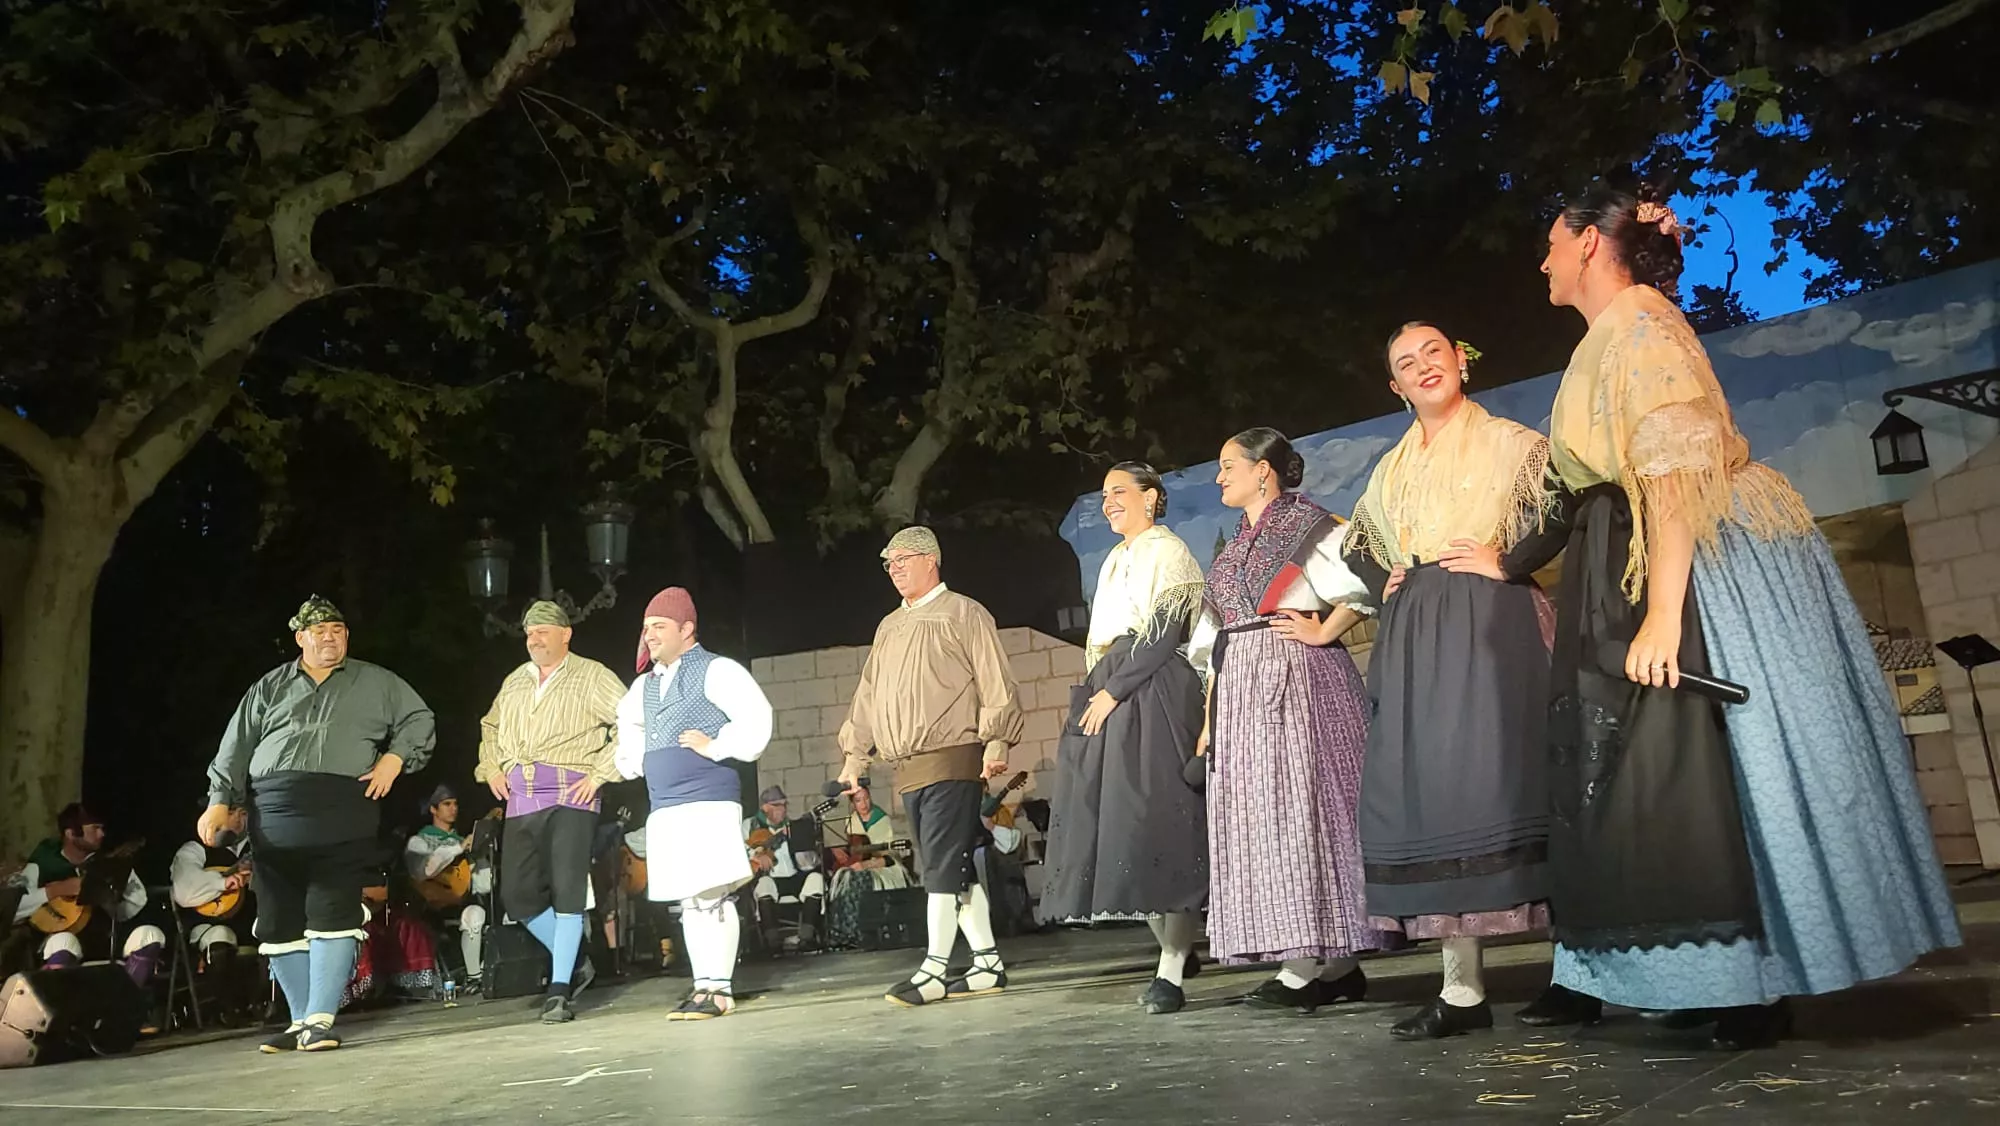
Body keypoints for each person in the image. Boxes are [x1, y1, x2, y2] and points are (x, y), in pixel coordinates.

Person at [1529, 184, 1961, 1049]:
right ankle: (1705, 974)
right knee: (1654, 774)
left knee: (1715, 762)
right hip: (1627, 549)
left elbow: (1671, 475)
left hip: (1688, 557)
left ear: (1585, 244)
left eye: (1549, 245)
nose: (1541, 263)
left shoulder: (1644, 327)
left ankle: (1756, 977)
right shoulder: (1608, 337)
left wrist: (1663, 614)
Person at [1345, 324, 1568, 1040]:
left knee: (1523, 776)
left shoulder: (1511, 442)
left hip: (1492, 621)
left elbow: (1562, 506)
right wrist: (1390, 579)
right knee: (1433, 797)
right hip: (1419, 632)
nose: (1422, 368)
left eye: (1432, 353)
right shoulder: (1392, 467)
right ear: (1396, 387)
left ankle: (1580, 974)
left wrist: (1509, 561)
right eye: (1406, 364)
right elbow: (1356, 542)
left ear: (1458, 361)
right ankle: (1462, 988)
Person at [1189, 428, 1383, 1012]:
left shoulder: (1308, 525)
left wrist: (1324, 629)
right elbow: (1213, 638)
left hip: (1299, 680)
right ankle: (1337, 966)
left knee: (1305, 811)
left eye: (1228, 466)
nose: (1219, 477)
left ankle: (1306, 967)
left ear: (1263, 471)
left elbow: (1364, 582)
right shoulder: (1233, 547)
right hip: (1243, 685)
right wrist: (1210, 715)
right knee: (1264, 817)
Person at [200, 594, 435, 1053]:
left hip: (341, 808)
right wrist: (217, 801)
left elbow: (419, 718)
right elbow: (236, 745)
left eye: (339, 630)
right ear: (301, 638)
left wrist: (394, 758)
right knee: (277, 916)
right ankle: (300, 1019)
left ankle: (322, 1019)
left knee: (333, 910)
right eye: (321, 631)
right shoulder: (270, 686)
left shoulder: (376, 681)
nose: (331, 637)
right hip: (274, 812)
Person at [1037, 462, 1209, 1015]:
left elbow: (1163, 634)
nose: (1109, 502)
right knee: (1119, 828)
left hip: (1151, 687)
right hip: (1112, 681)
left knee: (1154, 820)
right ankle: (1174, 949)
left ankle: (1172, 968)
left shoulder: (1167, 551)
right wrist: (1099, 689)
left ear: (1151, 498)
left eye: (1120, 492)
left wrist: (1115, 690)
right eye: (1104, 494)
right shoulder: (1115, 559)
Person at [836, 526, 1025, 1007]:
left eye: (902, 559)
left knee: (942, 866)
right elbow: (868, 696)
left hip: (952, 755)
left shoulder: (962, 612)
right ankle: (986, 963)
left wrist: (996, 740)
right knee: (952, 867)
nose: (894, 569)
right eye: (889, 563)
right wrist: (855, 755)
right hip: (909, 766)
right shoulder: (888, 627)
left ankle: (935, 968)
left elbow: (994, 679)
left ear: (930, 560)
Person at [613, 587, 775, 1020]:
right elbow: (627, 723)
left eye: (659, 627)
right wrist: (634, 759)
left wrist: (717, 744)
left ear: (687, 629)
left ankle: (719, 989)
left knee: (711, 897)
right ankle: (704, 984)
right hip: (665, 806)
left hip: (707, 800)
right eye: (646, 628)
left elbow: (757, 719)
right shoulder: (645, 685)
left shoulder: (716, 670)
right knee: (689, 900)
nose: (649, 636)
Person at [475, 598, 627, 1022]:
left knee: (567, 893)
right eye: (528, 633)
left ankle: (559, 991)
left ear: (566, 634)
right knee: (517, 896)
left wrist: (600, 773)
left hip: (570, 795)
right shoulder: (516, 681)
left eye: (543, 631)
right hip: (521, 798)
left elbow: (632, 722)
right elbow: (490, 727)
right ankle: (576, 957)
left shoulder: (591, 675)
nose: (534, 639)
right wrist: (490, 767)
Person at [9, 805, 164, 997]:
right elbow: (13, 907)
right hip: (55, 937)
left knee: (151, 935)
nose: (101, 834)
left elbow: (134, 907)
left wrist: (111, 895)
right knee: (64, 942)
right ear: (71, 834)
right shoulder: (43, 862)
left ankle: (122, 1006)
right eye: (95, 828)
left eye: (102, 828)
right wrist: (56, 890)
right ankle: (64, 1016)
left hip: (102, 940)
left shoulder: (106, 862)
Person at [169, 805, 263, 1021]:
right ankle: (227, 1008)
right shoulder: (195, 849)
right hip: (209, 925)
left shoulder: (258, 847)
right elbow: (184, 891)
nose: (239, 819)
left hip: (253, 920)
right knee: (220, 937)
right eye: (231, 812)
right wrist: (223, 883)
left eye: (243, 813)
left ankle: (264, 1003)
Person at [402, 786, 491, 992]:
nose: (453, 809)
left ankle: (475, 977)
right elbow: (424, 870)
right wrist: (458, 849)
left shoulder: (461, 841)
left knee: (476, 914)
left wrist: (481, 855)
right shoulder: (419, 840)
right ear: (433, 810)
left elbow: (483, 885)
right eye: (446, 804)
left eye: (455, 804)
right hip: (429, 907)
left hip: (459, 903)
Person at [824, 785, 911, 951]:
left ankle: (860, 932)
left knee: (859, 879)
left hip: (882, 866)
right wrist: (839, 851)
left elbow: (891, 856)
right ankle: (841, 933)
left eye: (866, 798)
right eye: (858, 800)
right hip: (858, 865)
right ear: (853, 803)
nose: (863, 803)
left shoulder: (882, 820)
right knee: (843, 877)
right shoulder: (851, 821)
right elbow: (852, 849)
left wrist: (867, 864)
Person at [745, 786, 826, 951]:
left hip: (795, 876)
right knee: (764, 885)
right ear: (765, 807)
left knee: (816, 880)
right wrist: (757, 855)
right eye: (777, 805)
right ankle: (772, 943)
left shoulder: (793, 827)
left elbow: (810, 860)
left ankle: (807, 938)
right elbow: (739, 850)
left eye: (784, 805)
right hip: (771, 878)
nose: (782, 809)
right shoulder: (749, 825)